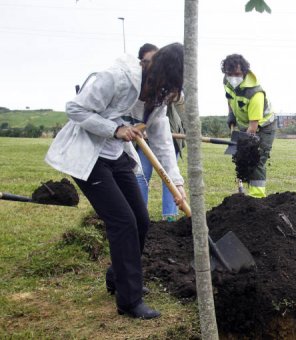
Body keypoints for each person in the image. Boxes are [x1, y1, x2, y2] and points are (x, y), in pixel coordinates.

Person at [45, 43, 187, 319]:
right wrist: (115, 129)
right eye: (168, 85)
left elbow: (161, 138)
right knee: (123, 222)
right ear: (159, 72)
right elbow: (75, 109)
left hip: (116, 156)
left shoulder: (159, 97)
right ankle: (129, 302)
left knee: (141, 221)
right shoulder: (116, 78)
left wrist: (177, 182)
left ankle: (120, 279)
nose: (168, 92)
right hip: (88, 155)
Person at [134, 43, 186, 222]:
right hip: (132, 142)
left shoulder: (165, 95)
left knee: (169, 181)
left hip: (163, 136)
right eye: (145, 62)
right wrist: (118, 130)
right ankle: (140, 217)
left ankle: (170, 218)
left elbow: (163, 141)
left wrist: (177, 182)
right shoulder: (131, 84)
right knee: (140, 176)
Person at [221, 54, 275, 198]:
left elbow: (253, 126)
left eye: (237, 74)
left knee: (256, 159)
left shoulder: (255, 93)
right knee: (243, 158)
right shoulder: (227, 82)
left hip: (263, 127)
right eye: (229, 73)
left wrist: (243, 148)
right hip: (245, 124)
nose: (233, 77)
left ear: (244, 72)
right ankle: (248, 194)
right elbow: (230, 98)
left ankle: (257, 198)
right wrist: (231, 115)